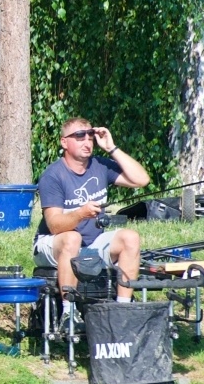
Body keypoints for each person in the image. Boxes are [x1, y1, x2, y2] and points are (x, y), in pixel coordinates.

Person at [34, 119, 151, 301]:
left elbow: (141, 180)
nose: (87, 142)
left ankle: (123, 310)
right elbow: (54, 225)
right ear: (64, 142)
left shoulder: (100, 165)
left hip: (92, 244)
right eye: (79, 136)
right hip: (51, 244)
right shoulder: (53, 175)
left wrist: (111, 148)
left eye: (90, 136)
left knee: (130, 238)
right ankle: (68, 313)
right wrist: (80, 214)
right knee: (73, 238)